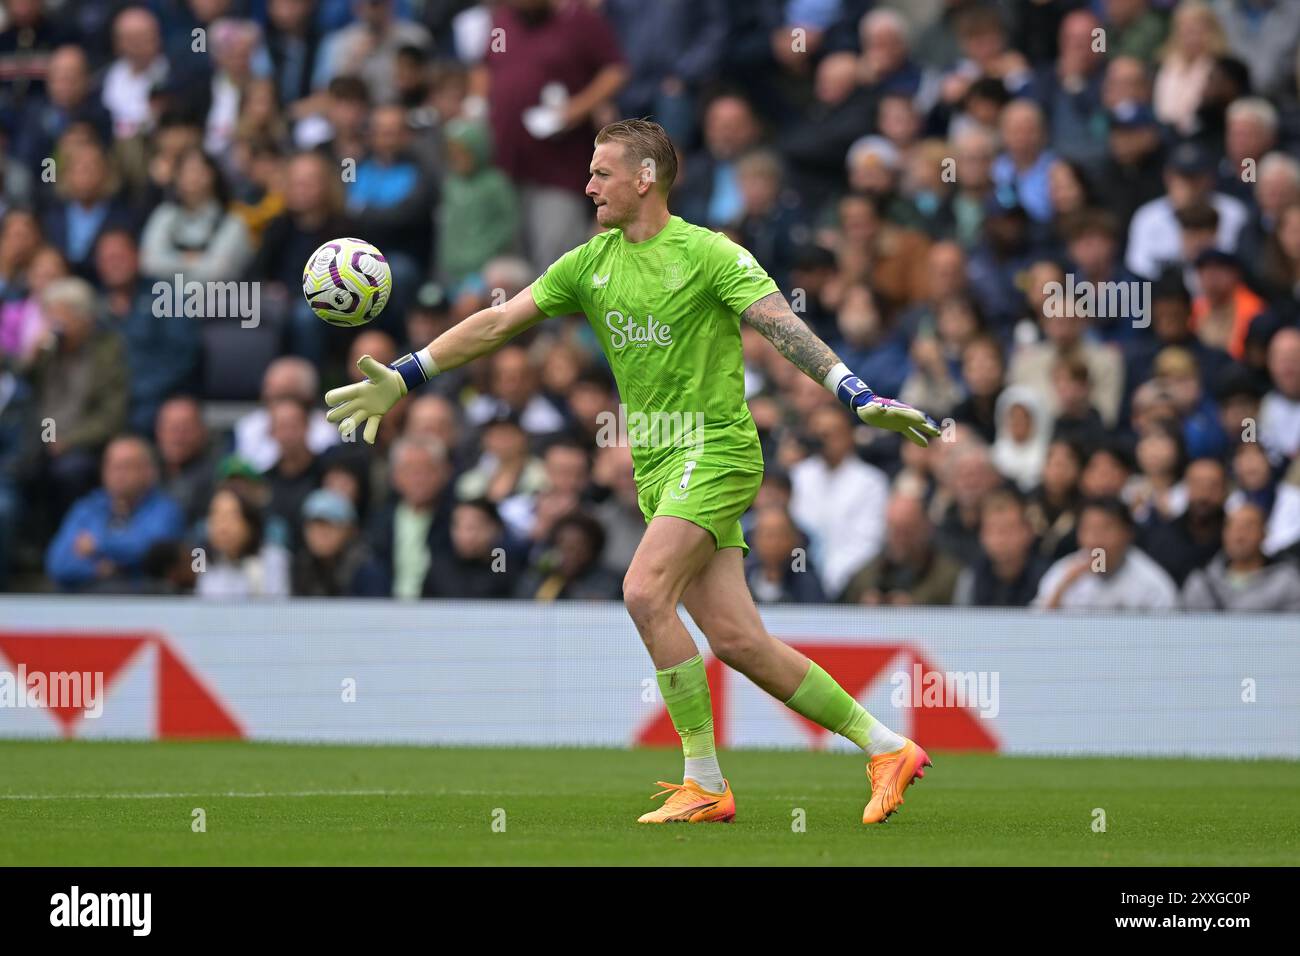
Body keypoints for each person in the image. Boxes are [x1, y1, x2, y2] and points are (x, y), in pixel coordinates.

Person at [317, 119, 940, 826]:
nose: (587, 186)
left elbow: (780, 326)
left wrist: (855, 393)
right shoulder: (589, 263)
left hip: (718, 451)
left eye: (601, 173)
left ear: (645, 178)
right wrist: (403, 376)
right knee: (738, 641)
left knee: (643, 592)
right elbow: (496, 324)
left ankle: (703, 779)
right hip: (658, 469)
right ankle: (886, 746)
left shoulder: (709, 254)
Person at [45, 434, 183, 591]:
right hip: (85, 602)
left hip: (142, 603)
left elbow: (152, 552)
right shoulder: (87, 508)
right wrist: (98, 569)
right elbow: (58, 563)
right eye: (112, 466)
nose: (119, 474)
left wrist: (99, 544)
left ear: (148, 472)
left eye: (126, 466)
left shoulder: (165, 510)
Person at [1033, 496, 1178, 610]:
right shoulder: (1063, 572)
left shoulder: (1152, 583)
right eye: (1087, 529)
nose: (1094, 540)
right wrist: (1062, 589)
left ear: (1128, 533)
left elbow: (1166, 637)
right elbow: (1033, 630)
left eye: (1105, 529)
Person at [1181, 502, 1300, 612]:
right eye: (1232, 526)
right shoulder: (1201, 581)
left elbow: (1292, 632)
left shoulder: (1287, 582)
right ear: (1223, 534)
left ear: (1264, 534)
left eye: (1248, 527)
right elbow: (1188, 630)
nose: (1239, 535)